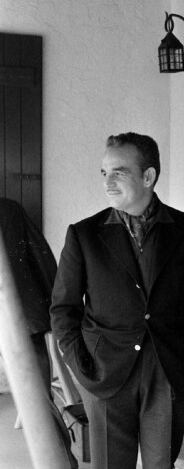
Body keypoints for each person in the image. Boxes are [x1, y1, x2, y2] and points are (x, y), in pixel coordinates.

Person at [50, 132, 184, 469]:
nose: (108, 182)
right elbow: (63, 310)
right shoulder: (84, 235)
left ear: (148, 176)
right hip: (104, 373)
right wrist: (83, 370)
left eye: (119, 172)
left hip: (166, 371)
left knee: (160, 465)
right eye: (104, 173)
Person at [0, 197, 78, 469]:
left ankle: (62, 461)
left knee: (39, 403)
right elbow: (43, 258)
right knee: (40, 402)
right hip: (25, 319)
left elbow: (37, 256)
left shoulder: (8, 211)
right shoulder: (10, 209)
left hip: (22, 320)